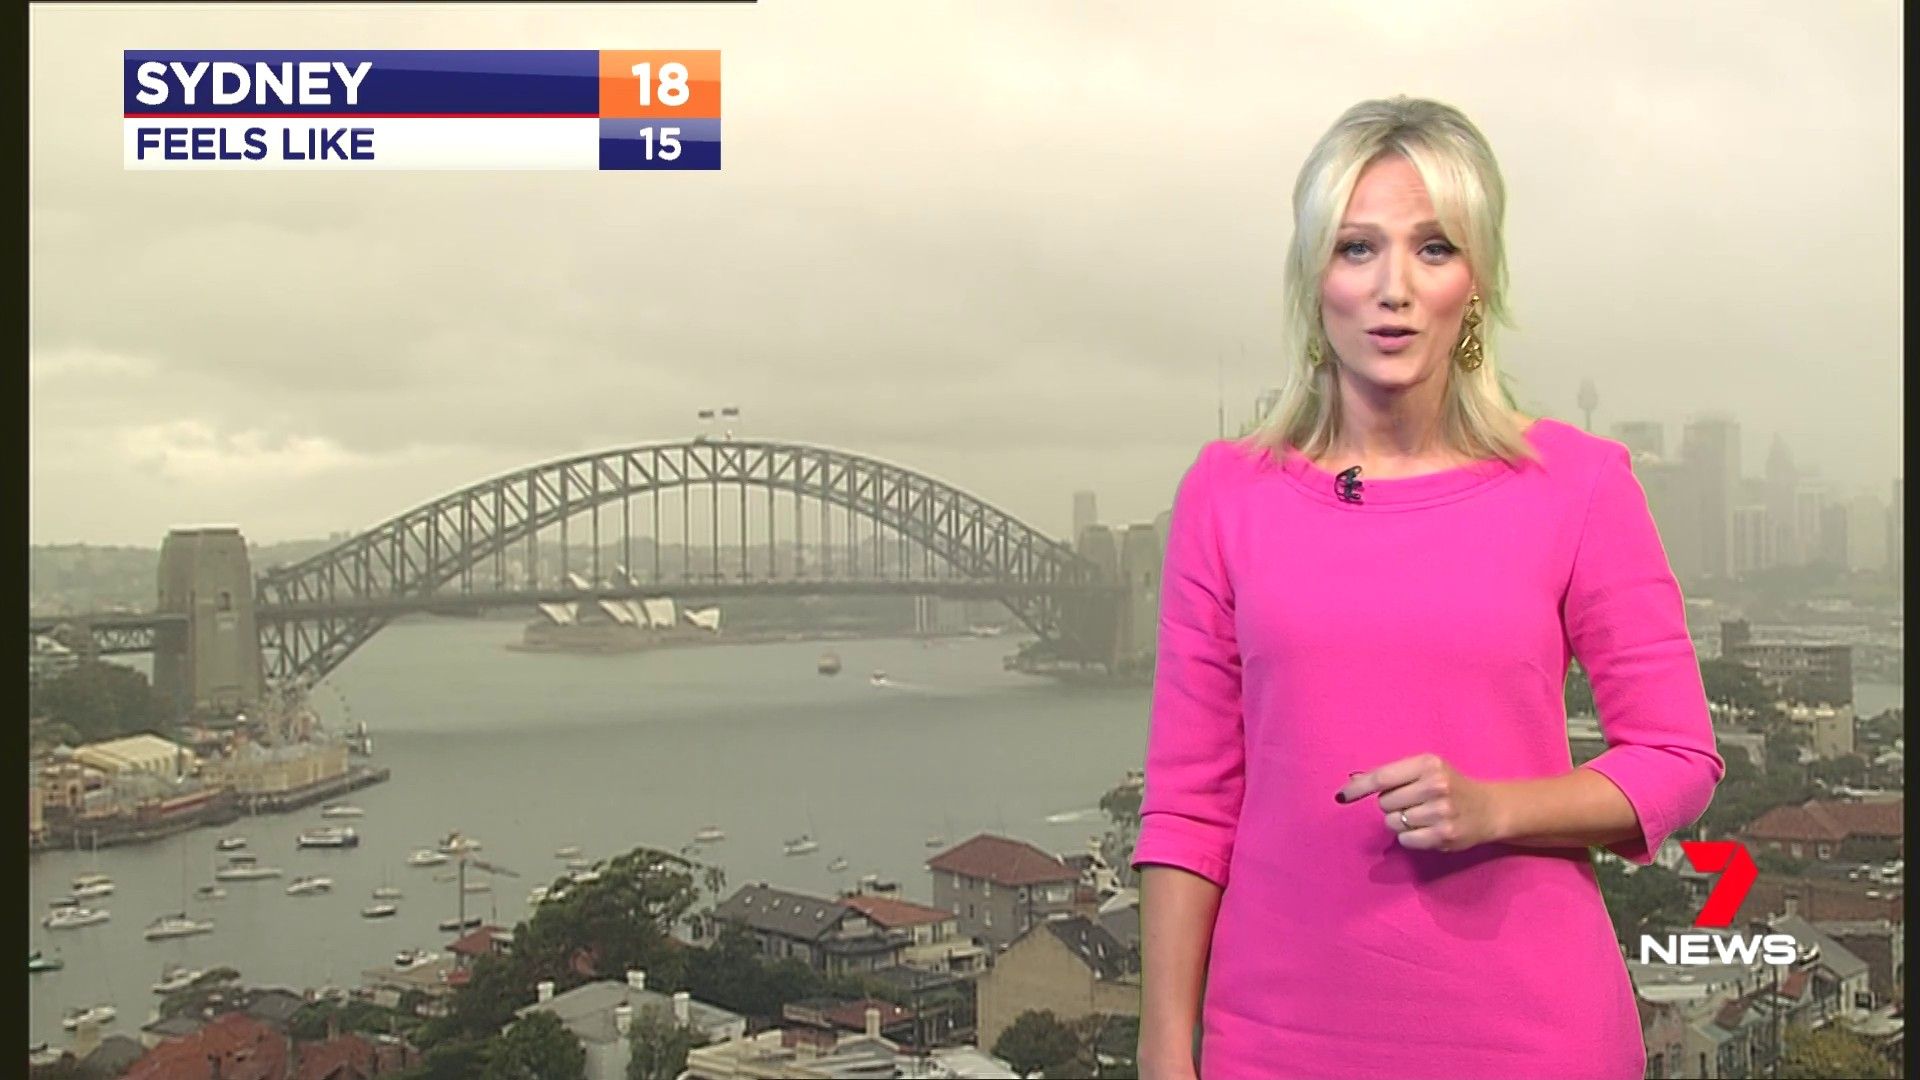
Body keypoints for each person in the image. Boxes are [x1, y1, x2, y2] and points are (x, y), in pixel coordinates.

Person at [1130, 96, 1725, 1079]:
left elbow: (1679, 757)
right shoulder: (1225, 495)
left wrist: (1496, 809)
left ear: (1476, 280)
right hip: (1275, 1042)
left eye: (1434, 248)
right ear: (1313, 277)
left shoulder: (1580, 485)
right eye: (1357, 248)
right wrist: (1163, 1053)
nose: (1393, 288)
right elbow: (1190, 806)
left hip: (1532, 1039)